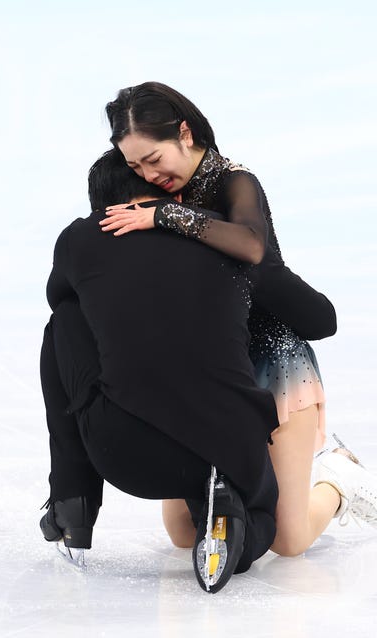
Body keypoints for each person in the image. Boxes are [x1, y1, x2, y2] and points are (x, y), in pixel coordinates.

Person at [101, 81, 377, 554]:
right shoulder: (155, 196)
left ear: (184, 133)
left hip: (273, 363)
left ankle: (337, 478)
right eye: (135, 166)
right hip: (204, 371)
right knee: (184, 533)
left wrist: (165, 216)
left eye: (153, 158)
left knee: (287, 541)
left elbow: (250, 246)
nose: (148, 174)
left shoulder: (234, 182)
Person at [39, 147, 280, 593]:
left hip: (125, 452)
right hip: (231, 445)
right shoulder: (226, 240)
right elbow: (321, 318)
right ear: (176, 198)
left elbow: (60, 295)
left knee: (66, 320)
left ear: (104, 206)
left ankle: (73, 501)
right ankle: (231, 513)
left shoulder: (81, 237)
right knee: (261, 512)